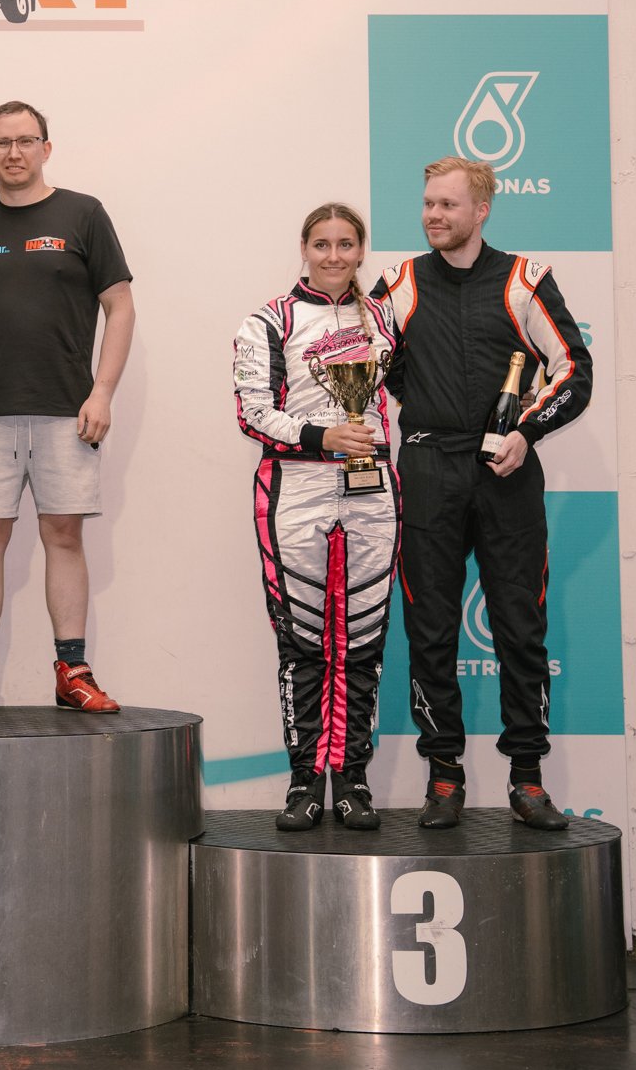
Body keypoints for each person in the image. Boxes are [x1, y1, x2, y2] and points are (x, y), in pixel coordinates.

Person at [370, 156, 592, 831]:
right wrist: (428, 412)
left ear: (482, 210)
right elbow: (375, 367)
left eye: (447, 205)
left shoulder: (526, 279)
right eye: (428, 203)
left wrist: (525, 429)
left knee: (521, 629)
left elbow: (574, 368)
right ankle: (444, 776)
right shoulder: (398, 283)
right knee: (431, 630)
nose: (433, 215)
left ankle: (527, 778)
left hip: (506, 471)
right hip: (428, 469)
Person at [0, 101, 135, 713]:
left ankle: (72, 671)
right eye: (2, 143)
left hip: (66, 411)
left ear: (47, 148)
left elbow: (120, 307)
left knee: (64, 536)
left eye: (25, 141)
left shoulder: (83, 214)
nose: (14, 152)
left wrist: (102, 392)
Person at [233, 203, 401, 831]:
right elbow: (252, 412)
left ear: (361, 251)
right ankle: (304, 782)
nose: (334, 256)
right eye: (322, 244)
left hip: (373, 488)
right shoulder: (268, 320)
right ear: (304, 248)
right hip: (295, 485)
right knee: (303, 640)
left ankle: (353, 780)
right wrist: (321, 436)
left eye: (346, 244)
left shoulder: (384, 318)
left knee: (362, 638)